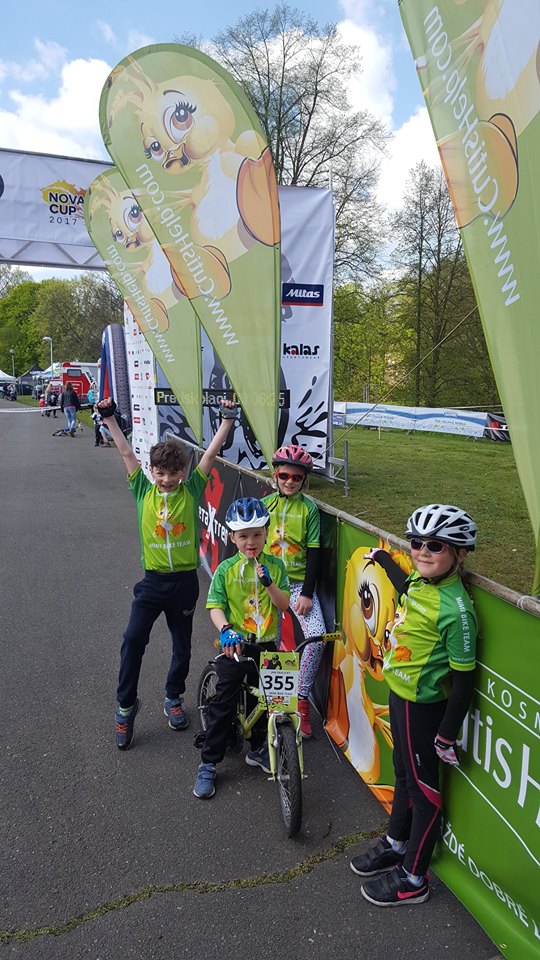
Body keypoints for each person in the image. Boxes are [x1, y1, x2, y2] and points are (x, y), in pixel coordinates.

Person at [349, 504, 478, 907]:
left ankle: (413, 879)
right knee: (402, 775)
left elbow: (464, 680)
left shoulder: (457, 611)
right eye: (417, 543)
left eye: (435, 546)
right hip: (399, 696)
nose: (422, 551)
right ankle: (396, 842)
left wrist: (446, 734)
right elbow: (406, 586)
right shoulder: (423, 583)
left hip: (423, 708)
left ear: (459, 554)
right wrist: (384, 558)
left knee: (424, 793)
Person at [96, 395, 237, 750]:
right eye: (160, 473)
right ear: (152, 471)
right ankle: (125, 707)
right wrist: (110, 419)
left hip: (184, 583)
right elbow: (126, 453)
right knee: (132, 640)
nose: (167, 480)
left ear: (183, 473)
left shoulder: (191, 490)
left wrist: (227, 420)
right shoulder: (142, 489)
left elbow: (209, 456)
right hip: (153, 583)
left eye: (173, 473)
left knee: (182, 648)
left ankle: (173, 697)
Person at [193, 497, 290, 799]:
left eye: (257, 534)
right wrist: (225, 631)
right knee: (224, 702)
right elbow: (215, 606)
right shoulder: (226, 569)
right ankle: (208, 763)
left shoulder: (276, 565)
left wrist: (270, 584)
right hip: (236, 646)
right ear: (232, 537)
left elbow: (283, 605)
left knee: (272, 703)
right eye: (243, 535)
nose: (251, 542)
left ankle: (259, 749)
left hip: (268, 645)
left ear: (267, 533)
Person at [261, 445, 325, 738]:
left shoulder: (309, 508)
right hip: (269, 585)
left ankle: (300, 699)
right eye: (284, 475)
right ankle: (276, 704)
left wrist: (307, 593)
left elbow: (315, 553)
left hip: (299, 585)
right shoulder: (264, 505)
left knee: (316, 639)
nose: (290, 481)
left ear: (304, 480)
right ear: (275, 475)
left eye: (296, 478)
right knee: (269, 641)